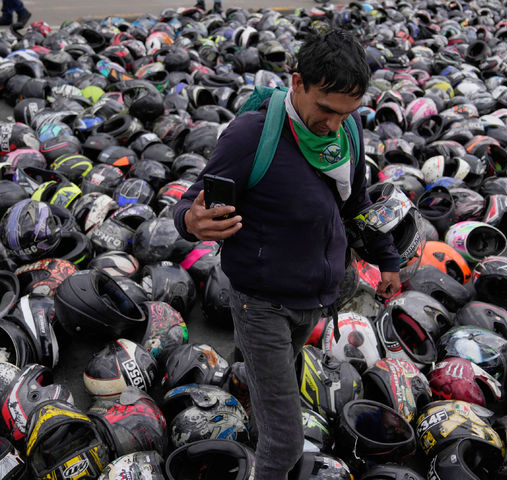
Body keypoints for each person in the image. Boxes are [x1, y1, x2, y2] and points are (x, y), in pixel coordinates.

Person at [173, 29, 402, 479]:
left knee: (273, 383)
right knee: (285, 440)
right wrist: (191, 221)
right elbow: (189, 202)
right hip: (261, 303)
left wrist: (388, 260)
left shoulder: (348, 130)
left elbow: (357, 204)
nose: (333, 124)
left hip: (314, 299)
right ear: (297, 83)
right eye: (326, 109)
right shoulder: (251, 135)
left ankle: (249, 397)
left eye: (346, 112)